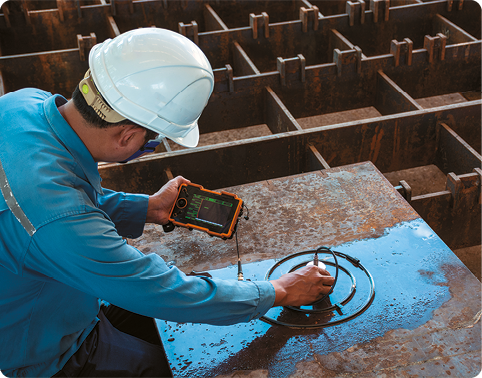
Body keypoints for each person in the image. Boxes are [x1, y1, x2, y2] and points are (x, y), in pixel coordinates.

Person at [0, 28, 334, 378]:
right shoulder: (60, 220)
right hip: (49, 351)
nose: (152, 146)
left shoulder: (20, 105)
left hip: (53, 293)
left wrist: (147, 208)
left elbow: (58, 201)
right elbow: (158, 290)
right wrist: (278, 290)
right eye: (152, 141)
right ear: (126, 135)